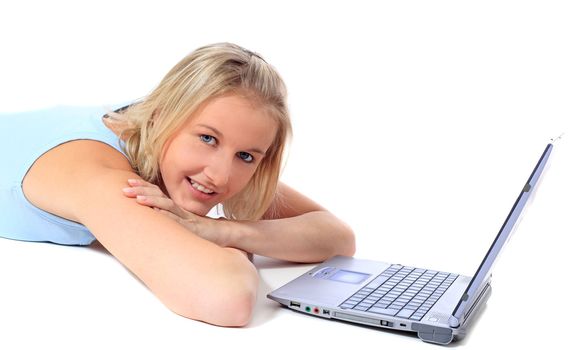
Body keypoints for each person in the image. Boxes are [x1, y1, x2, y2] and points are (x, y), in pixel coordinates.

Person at [0, 43, 355, 326]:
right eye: (207, 139)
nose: (220, 176)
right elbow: (226, 297)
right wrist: (218, 240)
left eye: (246, 156)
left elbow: (336, 237)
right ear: (160, 118)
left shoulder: (195, 151)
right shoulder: (96, 173)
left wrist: (224, 232)